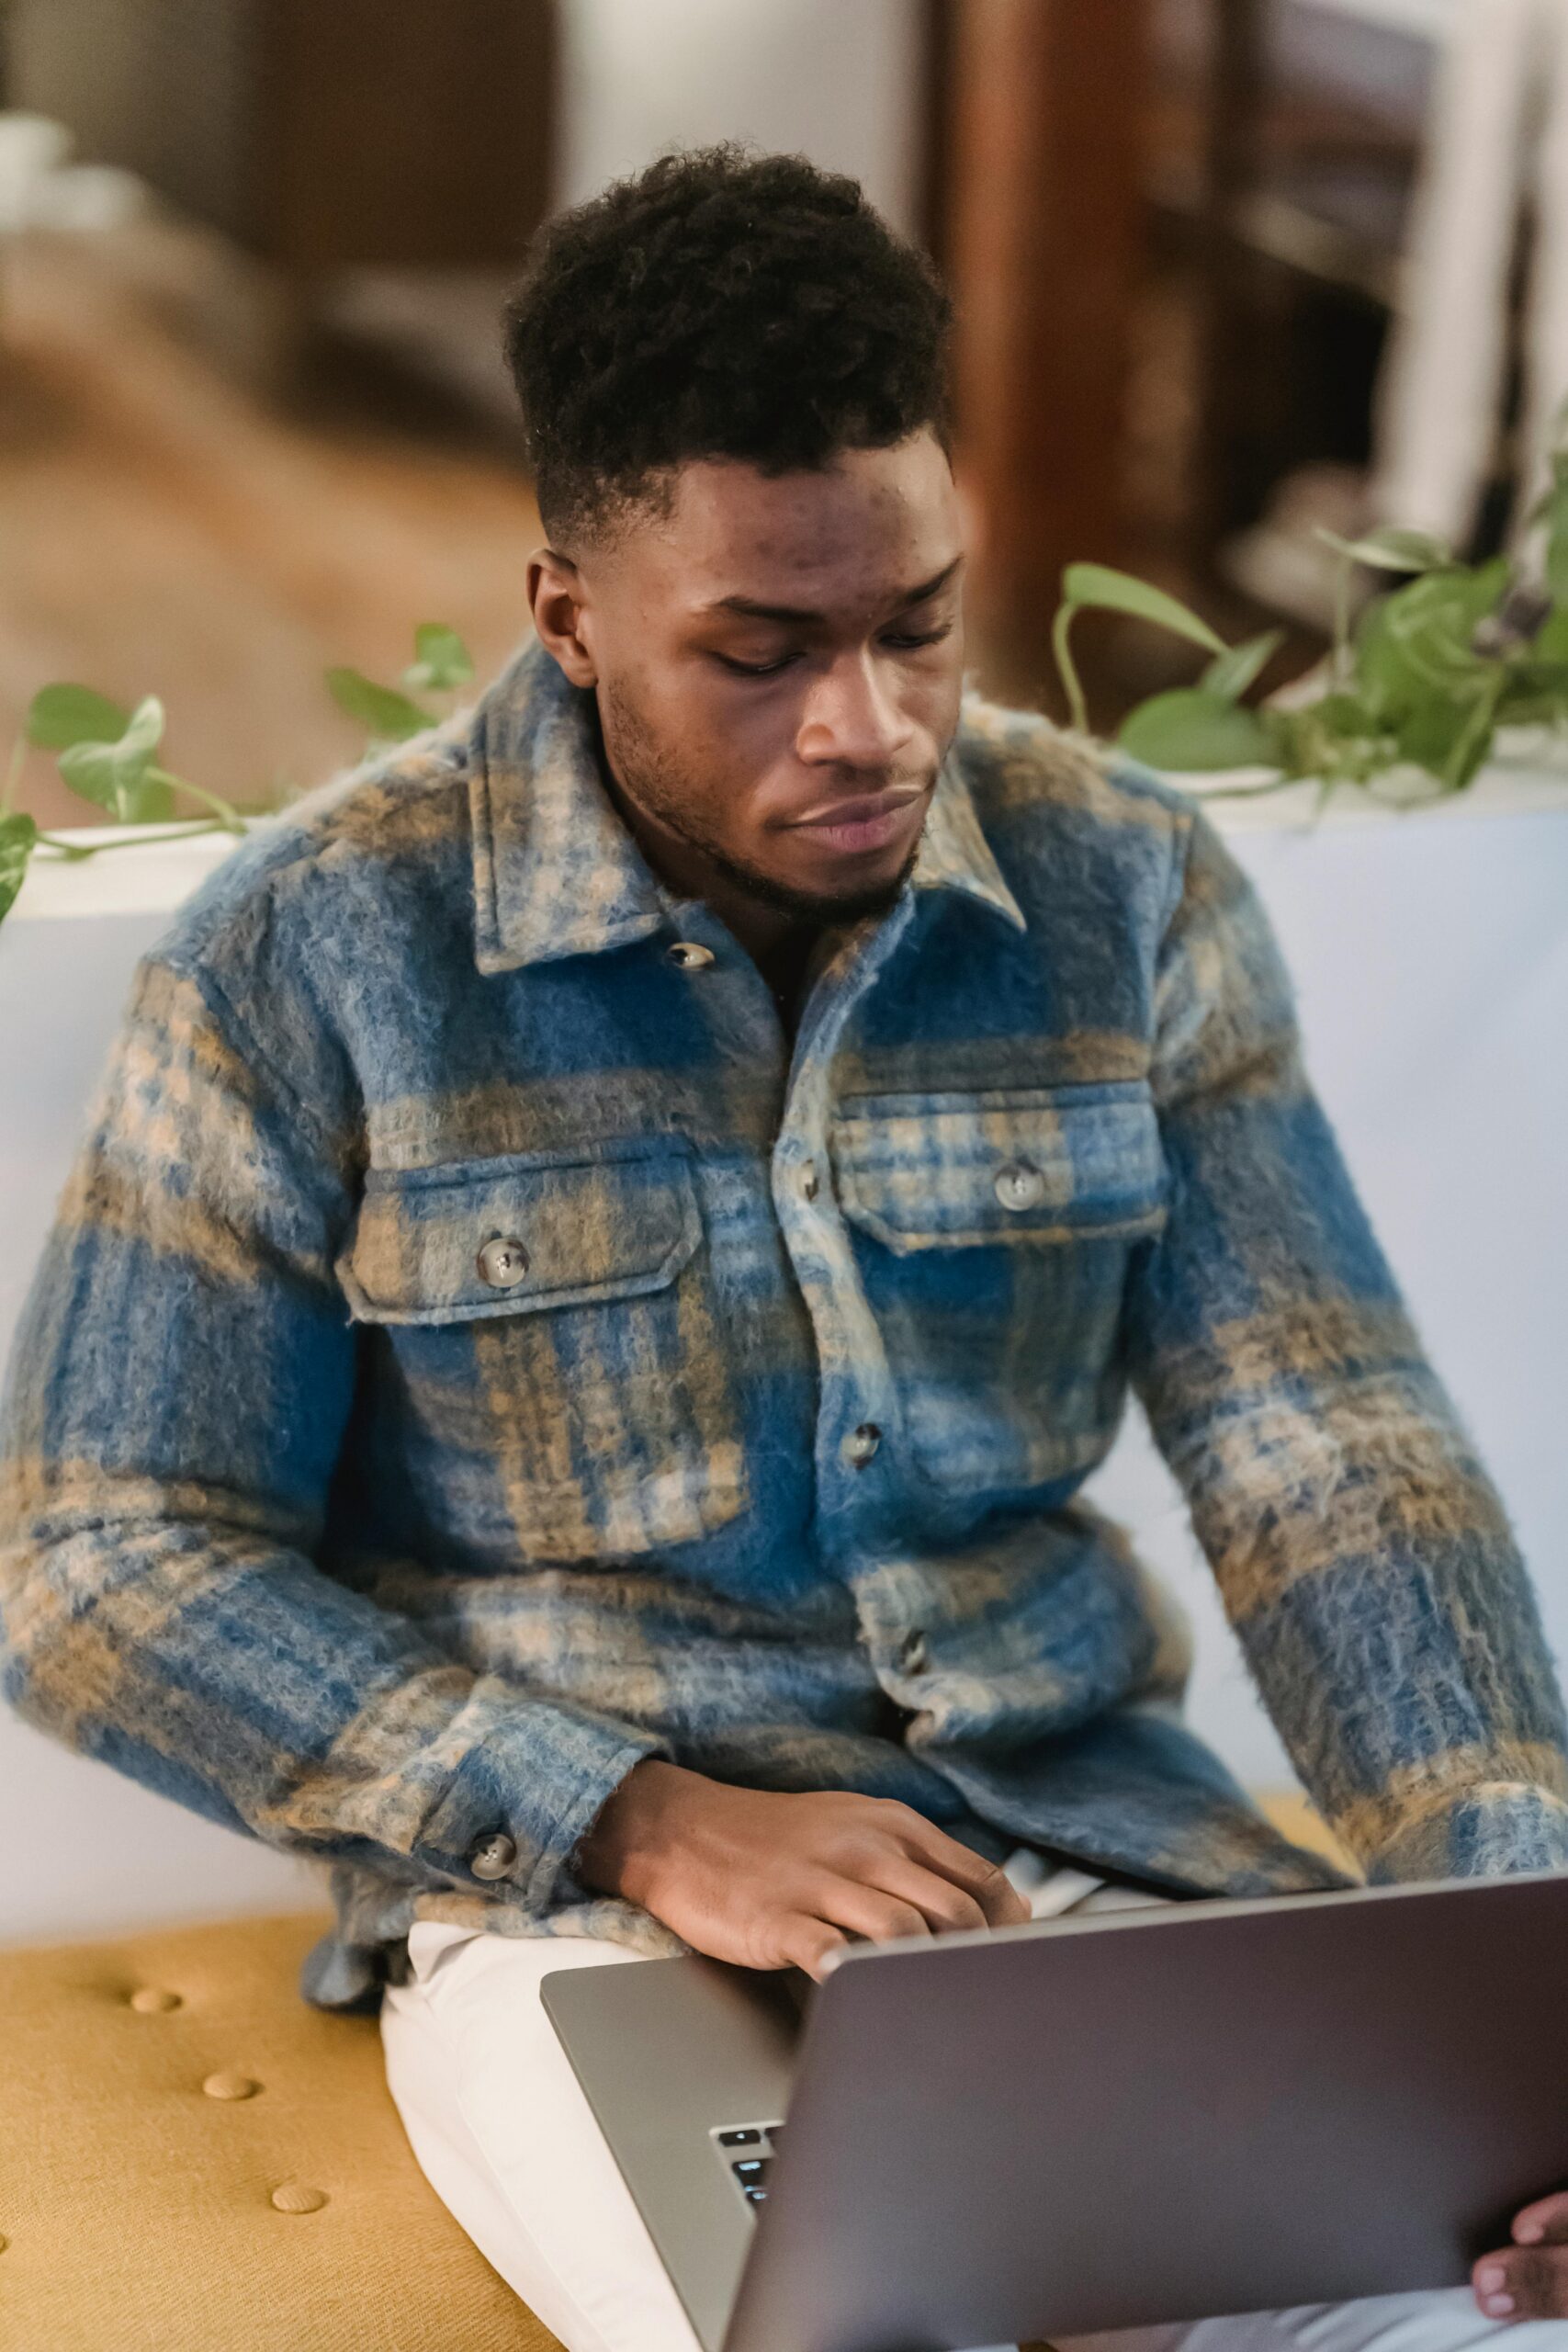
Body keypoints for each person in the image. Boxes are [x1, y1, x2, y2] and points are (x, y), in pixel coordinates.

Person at [2, 145, 1566, 2352]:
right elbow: (95, 1552)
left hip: (1078, 1851)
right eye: (758, 650)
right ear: (567, 611)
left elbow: (1333, 1459)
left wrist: (1505, 1971)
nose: (869, 724)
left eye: (914, 620)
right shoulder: (311, 953)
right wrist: (633, 1812)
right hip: (583, 1923)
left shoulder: (1125, 891)